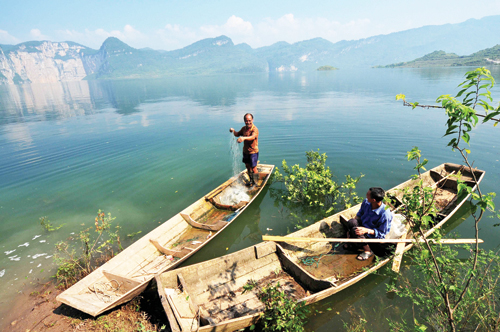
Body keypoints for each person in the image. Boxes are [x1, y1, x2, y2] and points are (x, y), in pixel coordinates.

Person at [344, 187, 392, 261]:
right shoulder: (366, 202)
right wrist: (350, 230)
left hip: (373, 234)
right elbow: (359, 215)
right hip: (364, 226)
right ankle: (354, 239)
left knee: (356, 231)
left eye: (367, 195)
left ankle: (368, 250)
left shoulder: (385, 214)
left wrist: (366, 231)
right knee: (352, 222)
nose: (366, 196)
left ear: (373, 200)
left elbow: (382, 233)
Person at [229, 113, 259, 186]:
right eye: (246, 121)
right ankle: (251, 180)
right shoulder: (244, 129)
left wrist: (244, 138)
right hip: (245, 151)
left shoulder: (255, 129)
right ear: (244, 121)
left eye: (249, 120)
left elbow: (253, 137)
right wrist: (233, 130)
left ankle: (256, 183)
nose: (248, 122)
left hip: (253, 152)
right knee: (247, 166)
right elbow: (237, 134)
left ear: (252, 120)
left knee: (253, 167)